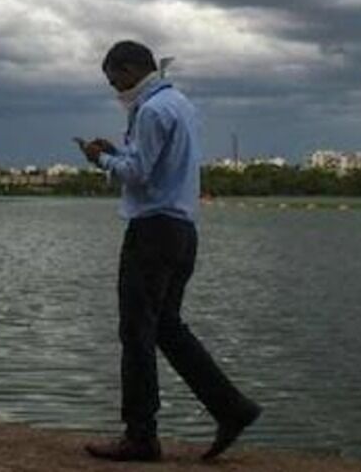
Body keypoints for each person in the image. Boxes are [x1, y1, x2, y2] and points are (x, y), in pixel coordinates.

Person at [77, 41, 261, 463]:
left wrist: (99, 161)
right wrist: (116, 152)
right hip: (182, 230)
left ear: (129, 69)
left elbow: (139, 175)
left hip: (152, 232)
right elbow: (157, 165)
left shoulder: (151, 110)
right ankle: (232, 409)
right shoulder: (179, 104)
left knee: (136, 333)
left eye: (114, 79)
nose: (114, 89)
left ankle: (141, 436)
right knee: (167, 328)